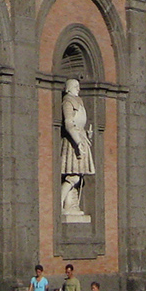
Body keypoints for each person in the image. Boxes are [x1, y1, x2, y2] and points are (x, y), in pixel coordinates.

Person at [60, 79, 95, 217]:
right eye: (76, 86)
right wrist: (78, 141)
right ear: (69, 88)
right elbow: (68, 123)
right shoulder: (67, 102)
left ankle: (71, 204)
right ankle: (60, 202)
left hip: (81, 137)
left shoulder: (78, 101)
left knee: (78, 176)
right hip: (73, 142)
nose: (78, 89)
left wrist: (87, 135)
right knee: (73, 176)